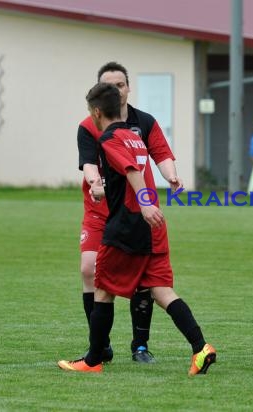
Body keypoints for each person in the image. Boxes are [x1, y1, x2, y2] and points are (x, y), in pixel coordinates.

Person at [58, 83, 216, 374]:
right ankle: (200, 347)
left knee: (102, 290)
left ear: (95, 111)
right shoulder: (134, 137)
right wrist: (111, 192)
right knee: (162, 291)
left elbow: (131, 171)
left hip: (128, 225)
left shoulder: (110, 138)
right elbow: (129, 176)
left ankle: (93, 361)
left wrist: (144, 203)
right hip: (152, 225)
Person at [77, 62, 181, 363]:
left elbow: (162, 154)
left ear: (128, 87)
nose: (116, 90)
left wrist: (171, 176)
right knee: (89, 268)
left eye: (120, 85)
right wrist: (95, 181)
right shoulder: (89, 126)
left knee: (143, 279)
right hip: (100, 210)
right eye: (109, 86)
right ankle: (99, 345)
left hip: (135, 210)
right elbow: (88, 163)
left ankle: (140, 345)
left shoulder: (143, 121)